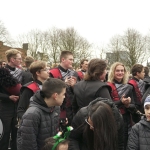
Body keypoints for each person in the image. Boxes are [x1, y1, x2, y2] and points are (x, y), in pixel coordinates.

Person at [17, 78, 67, 150]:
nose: (64, 97)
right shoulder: (32, 114)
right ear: (55, 96)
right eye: (63, 94)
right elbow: (28, 145)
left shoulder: (55, 108)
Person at [107, 62, 135, 149]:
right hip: (112, 119)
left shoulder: (129, 87)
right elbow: (107, 104)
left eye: (122, 71)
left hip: (125, 120)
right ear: (113, 72)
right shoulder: (107, 86)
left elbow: (134, 106)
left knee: (124, 143)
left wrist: (127, 105)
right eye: (117, 71)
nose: (120, 73)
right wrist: (121, 102)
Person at [0, 49, 23, 150]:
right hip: (4, 108)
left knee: (16, 135)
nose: (21, 61)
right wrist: (8, 97)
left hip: (18, 107)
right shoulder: (2, 72)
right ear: (12, 59)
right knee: (5, 136)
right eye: (19, 59)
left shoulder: (22, 73)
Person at [49, 51, 78, 125]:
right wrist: (63, 83)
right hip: (57, 107)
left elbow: (76, 91)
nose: (72, 62)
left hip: (71, 107)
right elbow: (49, 90)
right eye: (70, 59)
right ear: (63, 59)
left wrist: (73, 86)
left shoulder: (73, 73)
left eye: (73, 60)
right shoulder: (52, 72)